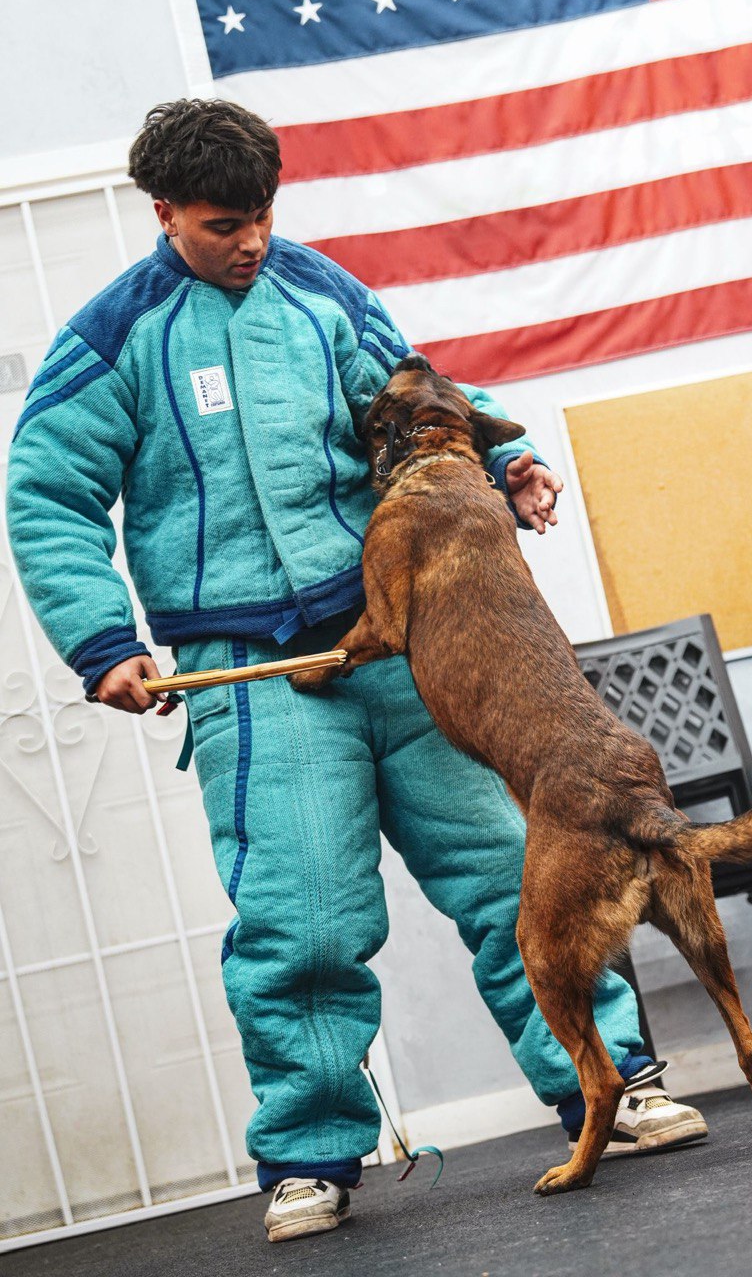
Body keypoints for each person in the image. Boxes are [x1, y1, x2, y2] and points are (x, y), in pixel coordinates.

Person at [6, 99, 707, 1244]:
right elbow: (46, 493)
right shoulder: (111, 338)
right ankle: (308, 1157)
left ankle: (614, 1081)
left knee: (508, 871)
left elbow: (417, 390)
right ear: (165, 211)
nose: (254, 240)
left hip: (400, 641)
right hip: (253, 671)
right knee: (303, 922)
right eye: (226, 223)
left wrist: (509, 450)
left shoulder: (322, 292)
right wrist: (102, 639)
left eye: (266, 213)